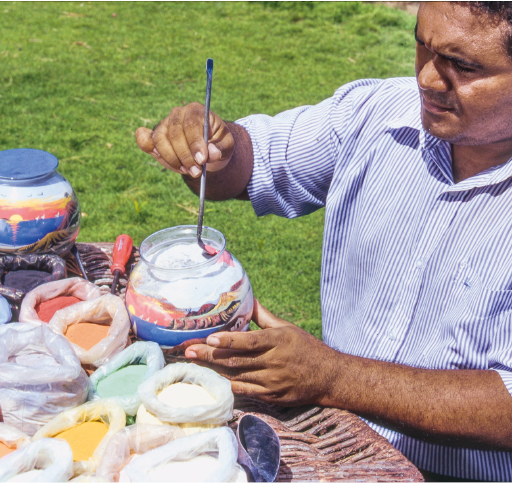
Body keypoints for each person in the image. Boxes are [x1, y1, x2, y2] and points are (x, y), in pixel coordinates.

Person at [136, 2, 512, 480]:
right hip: (332, 443)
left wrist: (332, 378)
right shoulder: (375, 112)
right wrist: (213, 146)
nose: (428, 79)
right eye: (422, 44)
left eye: (463, 65)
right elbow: (253, 164)